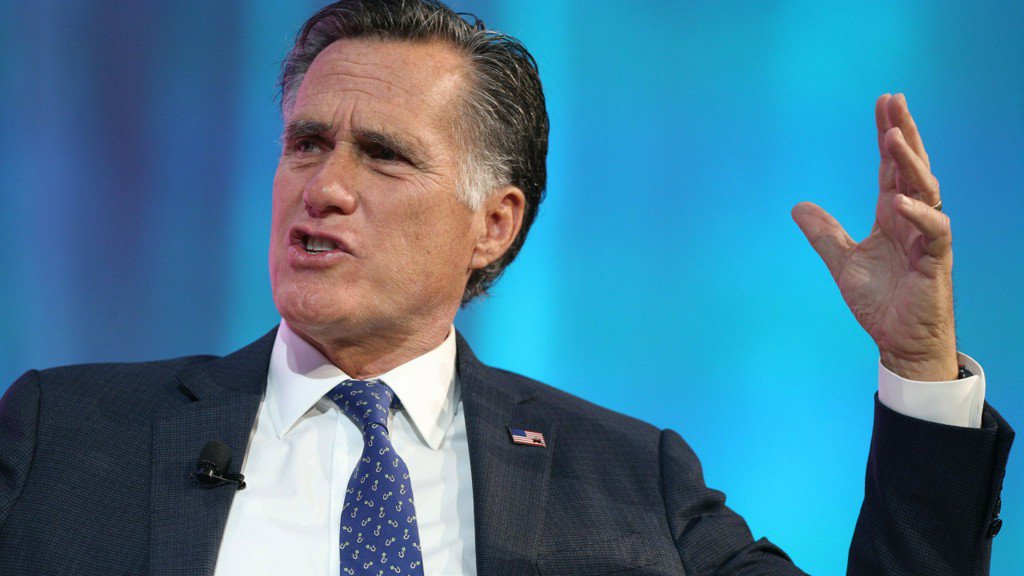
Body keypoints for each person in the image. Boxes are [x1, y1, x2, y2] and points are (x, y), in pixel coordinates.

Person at [0, 1, 1012, 575]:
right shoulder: (65, 437)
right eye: (306, 143)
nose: (325, 187)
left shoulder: (630, 484)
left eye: (383, 155)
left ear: (494, 223)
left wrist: (918, 364)